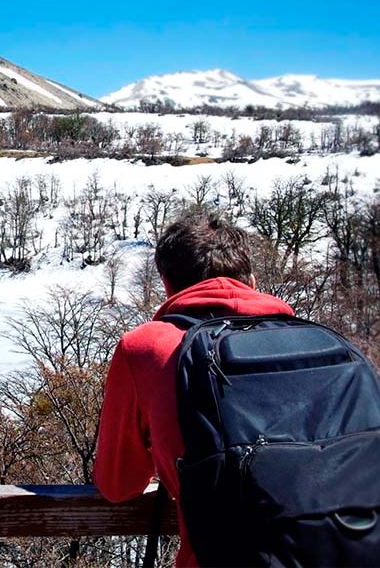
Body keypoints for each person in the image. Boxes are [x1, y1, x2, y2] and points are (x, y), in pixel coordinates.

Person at [93, 212, 294, 567]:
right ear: (252, 280)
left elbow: (118, 483)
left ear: (167, 285)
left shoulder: (146, 349)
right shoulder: (309, 343)